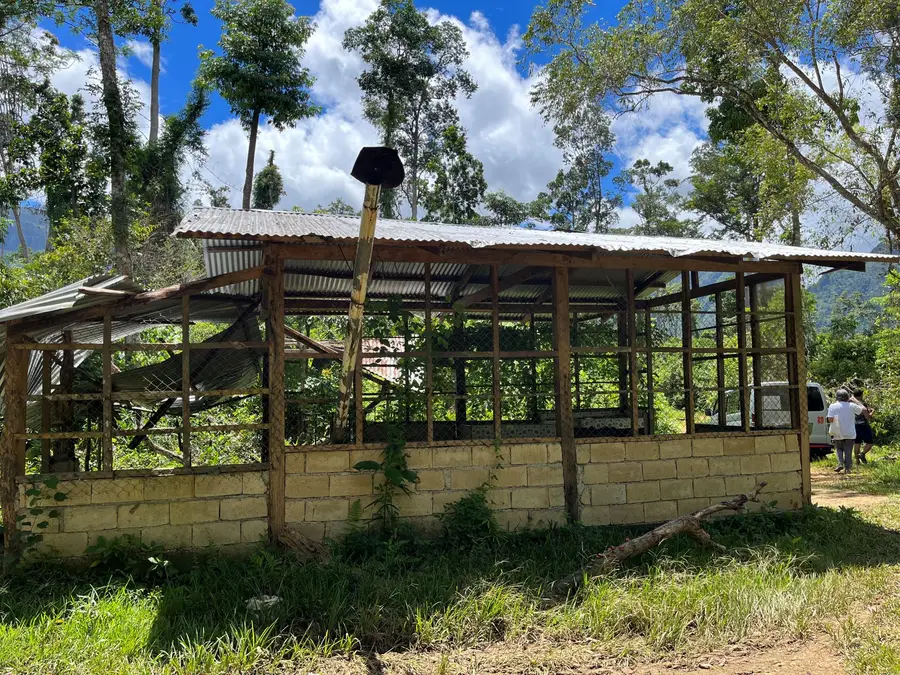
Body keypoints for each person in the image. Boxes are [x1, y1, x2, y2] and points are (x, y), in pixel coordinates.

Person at [827, 388, 867, 474]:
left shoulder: (832, 406)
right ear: (847, 397)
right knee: (848, 451)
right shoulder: (851, 406)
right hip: (850, 432)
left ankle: (840, 463)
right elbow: (863, 410)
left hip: (838, 432)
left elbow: (830, 419)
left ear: (837, 397)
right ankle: (847, 468)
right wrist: (856, 401)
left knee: (839, 449)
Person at [852, 388, 875, 465]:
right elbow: (867, 417)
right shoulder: (862, 404)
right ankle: (862, 453)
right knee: (870, 442)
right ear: (861, 395)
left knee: (857, 443)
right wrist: (872, 412)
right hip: (863, 425)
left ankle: (857, 461)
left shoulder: (851, 404)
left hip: (855, 425)